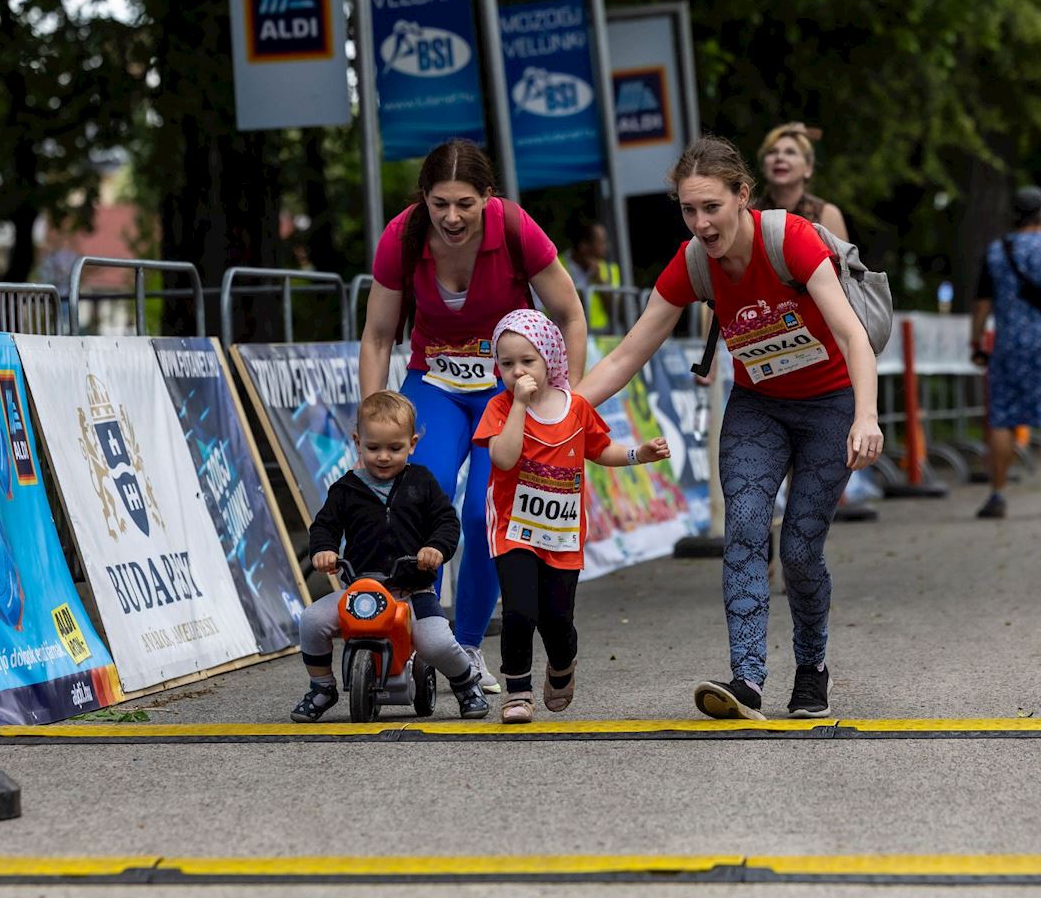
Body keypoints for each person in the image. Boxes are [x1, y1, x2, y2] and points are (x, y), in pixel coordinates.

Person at [575, 136, 883, 721]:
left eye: (711, 207)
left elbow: (852, 335)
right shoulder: (693, 262)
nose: (701, 224)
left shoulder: (787, 239)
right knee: (742, 529)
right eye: (689, 210)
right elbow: (625, 357)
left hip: (830, 404)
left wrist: (865, 416)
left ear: (743, 196)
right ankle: (747, 680)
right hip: (758, 406)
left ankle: (812, 666)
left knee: (797, 549)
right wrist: (563, 413)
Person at [359, 140, 587, 693]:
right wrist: (373, 418)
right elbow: (379, 334)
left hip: (504, 393)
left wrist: (566, 404)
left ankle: (465, 648)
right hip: (434, 382)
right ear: (424, 200)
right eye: (440, 204)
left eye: (465, 203)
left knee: (488, 512)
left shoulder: (515, 229)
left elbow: (570, 315)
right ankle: (415, 632)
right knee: (417, 493)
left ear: (488, 197)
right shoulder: (402, 236)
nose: (452, 217)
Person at [472, 310, 669, 724]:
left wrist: (638, 454)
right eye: (506, 364)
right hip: (514, 529)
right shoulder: (500, 407)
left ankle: (562, 665)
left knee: (557, 619)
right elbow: (503, 459)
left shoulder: (575, 407)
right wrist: (519, 405)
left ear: (549, 358)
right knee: (520, 611)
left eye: (527, 361)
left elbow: (601, 451)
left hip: (561, 533)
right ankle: (518, 692)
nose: (517, 371)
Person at [292, 391, 489, 722]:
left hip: (412, 590)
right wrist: (324, 550)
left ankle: (466, 682)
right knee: (312, 620)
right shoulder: (346, 489)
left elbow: (445, 522)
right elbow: (324, 526)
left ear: (411, 444)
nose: (383, 457)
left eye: (394, 448)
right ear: (358, 442)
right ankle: (322, 686)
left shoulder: (421, 482)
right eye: (373, 448)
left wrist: (436, 549)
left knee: (435, 642)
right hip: (362, 589)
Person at [969, 186, 1041, 519]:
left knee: (1002, 420)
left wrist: (976, 341)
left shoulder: (995, 252)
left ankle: (997, 495)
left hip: (1008, 347)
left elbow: (982, 305)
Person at [754, 123, 849, 241]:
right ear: (763, 166)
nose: (779, 157)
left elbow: (842, 259)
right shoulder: (748, 213)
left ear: (808, 168)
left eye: (790, 152)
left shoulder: (827, 214)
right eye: (772, 152)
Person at [559, 219, 622, 332]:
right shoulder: (558, 265)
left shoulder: (609, 270)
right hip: (565, 332)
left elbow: (615, 310)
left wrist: (599, 280)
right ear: (584, 246)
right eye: (601, 242)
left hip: (602, 335)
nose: (606, 247)